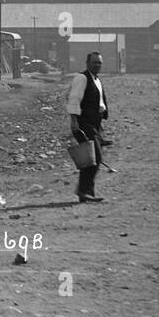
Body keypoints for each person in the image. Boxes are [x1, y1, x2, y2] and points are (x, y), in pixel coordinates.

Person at [66, 51, 109, 203]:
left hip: (94, 124)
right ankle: (84, 191)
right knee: (93, 158)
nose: (97, 65)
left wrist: (100, 128)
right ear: (87, 63)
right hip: (83, 123)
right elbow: (74, 100)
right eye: (94, 62)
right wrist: (74, 122)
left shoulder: (97, 80)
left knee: (91, 159)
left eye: (99, 62)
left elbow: (99, 103)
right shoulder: (82, 78)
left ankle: (84, 191)